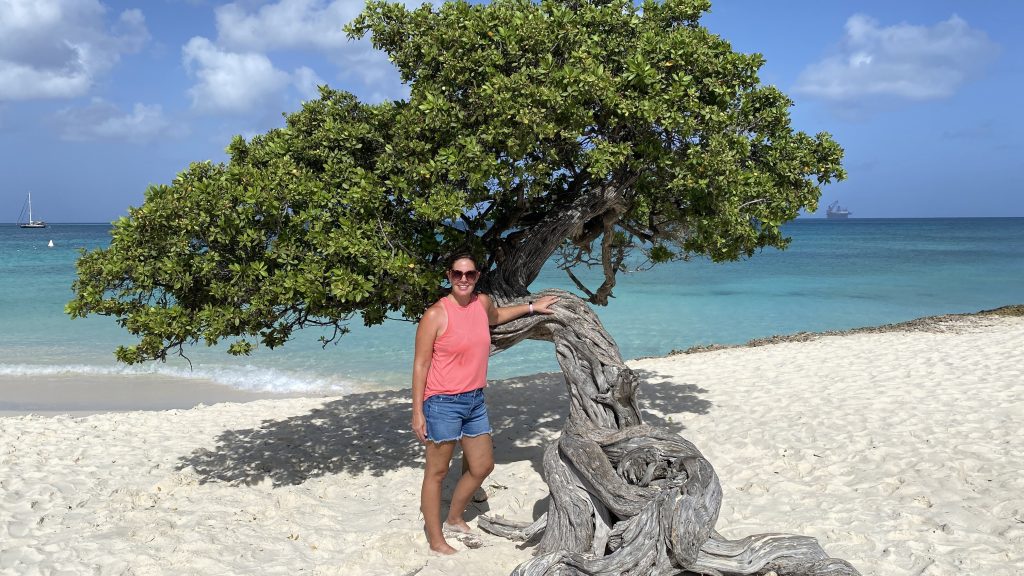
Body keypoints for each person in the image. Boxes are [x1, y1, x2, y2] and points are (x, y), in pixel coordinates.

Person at [411, 251, 558, 554]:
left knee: (482, 466)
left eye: (469, 274)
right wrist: (417, 411)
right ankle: (436, 539)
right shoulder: (436, 315)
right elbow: (420, 365)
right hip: (442, 403)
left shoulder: (483, 303)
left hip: (475, 400)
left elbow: (499, 317)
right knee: (436, 473)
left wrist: (533, 307)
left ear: (477, 276)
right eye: (456, 274)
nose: (463, 279)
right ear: (448, 276)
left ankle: (453, 517)